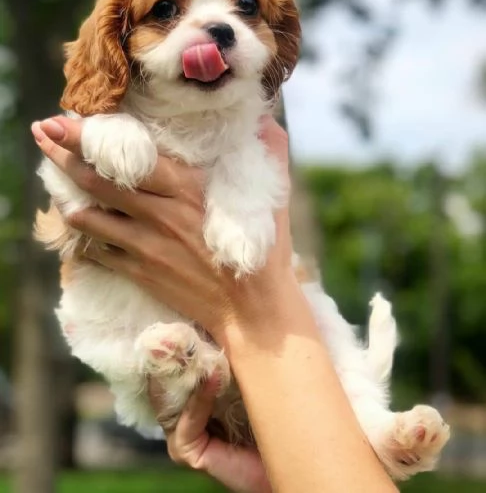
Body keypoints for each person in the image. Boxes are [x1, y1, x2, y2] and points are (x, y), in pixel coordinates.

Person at [31, 116, 398, 493]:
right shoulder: (118, 120)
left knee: (309, 300)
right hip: (143, 339)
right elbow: (70, 210)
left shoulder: (238, 143)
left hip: (228, 363)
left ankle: (369, 419)